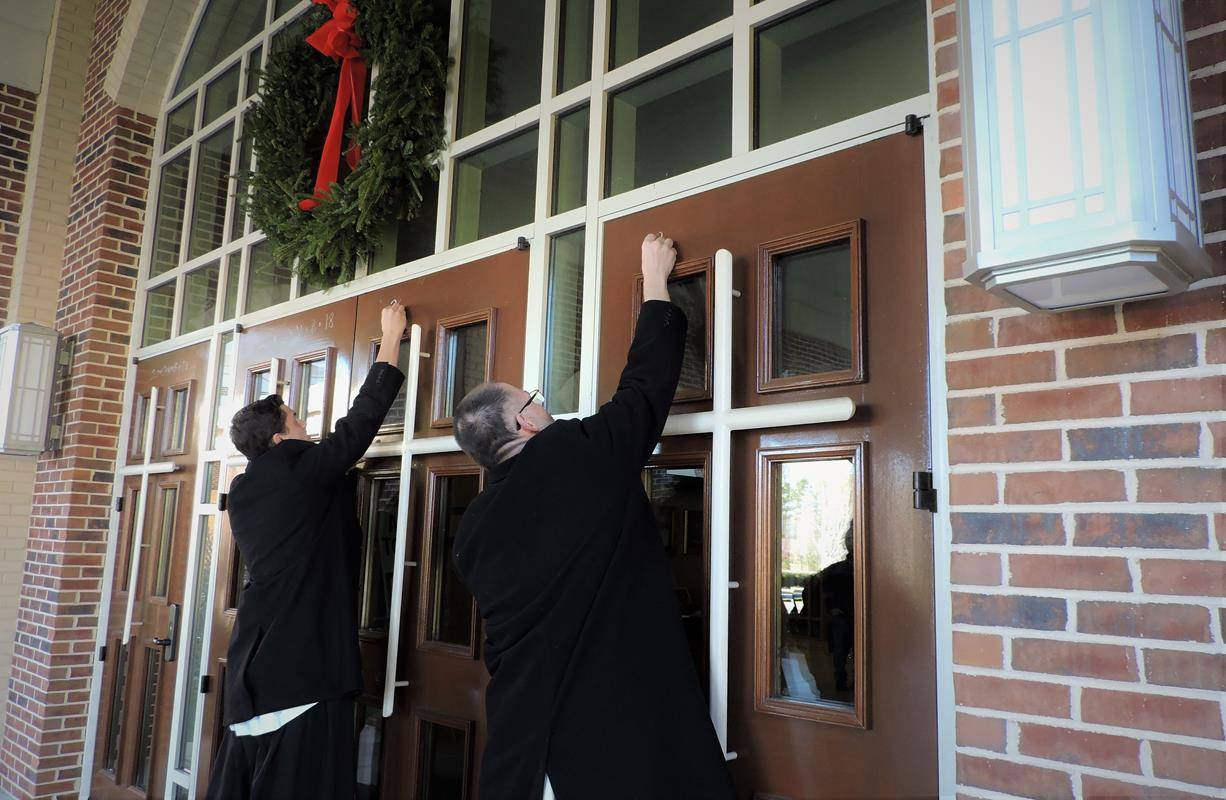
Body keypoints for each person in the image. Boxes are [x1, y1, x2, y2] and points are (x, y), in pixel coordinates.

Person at [451, 233, 735, 800]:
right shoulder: (571, 455)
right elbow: (643, 392)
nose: (543, 405)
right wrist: (656, 282)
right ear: (524, 423)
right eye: (533, 399)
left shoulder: (472, 531)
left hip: (523, 754)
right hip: (606, 750)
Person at [206, 301, 408, 800]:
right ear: (279, 439)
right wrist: (390, 340)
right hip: (301, 673)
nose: (305, 427)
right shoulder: (297, 473)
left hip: (255, 671)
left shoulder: (245, 490)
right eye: (296, 421)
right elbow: (359, 424)